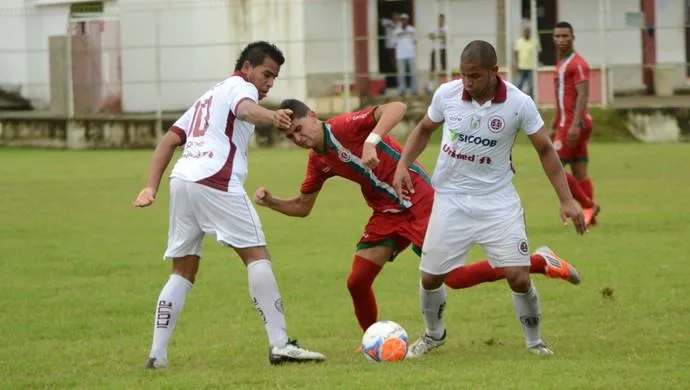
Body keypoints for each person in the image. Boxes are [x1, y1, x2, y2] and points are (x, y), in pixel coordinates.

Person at [252, 97, 582, 341]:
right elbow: (303, 206)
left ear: (312, 115)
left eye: (298, 128)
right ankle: (374, 341)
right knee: (357, 281)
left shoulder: (343, 126)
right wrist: (272, 202)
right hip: (386, 213)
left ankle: (538, 261)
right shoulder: (318, 161)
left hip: (421, 201)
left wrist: (372, 139)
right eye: (291, 136)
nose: (298, 137)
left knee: (452, 279)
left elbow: (395, 107)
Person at [132, 41, 325, 368]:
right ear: (247, 67)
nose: (269, 83)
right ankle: (280, 345)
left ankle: (157, 355)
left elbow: (169, 140)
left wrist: (151, 186)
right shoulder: (238, 86)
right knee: (256, 255)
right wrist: (273, 115)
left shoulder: (209, 95)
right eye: (266, 74)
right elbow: (246, 110)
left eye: (274, 78)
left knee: (183, 269)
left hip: (182, 181)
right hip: (215, 180)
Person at [393, 40, 586, 357]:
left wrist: (566, 199)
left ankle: (535, 342)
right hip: (451, 199)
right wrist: (403, 165)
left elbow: (546, 151)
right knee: (430, 277)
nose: (468, 82)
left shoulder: (519, 103)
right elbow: (424, 129)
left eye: (475, 76)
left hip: (497, 201)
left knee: (518, 277)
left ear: (495, 72)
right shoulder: (447, 94)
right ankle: (433, 335)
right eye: (464, 75)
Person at [552, 21, 599, 226]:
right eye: (558, 36)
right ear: (553, 38)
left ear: (573, 37)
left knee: (554, 166)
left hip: (573, 124)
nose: (562, 40)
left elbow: (583, 95)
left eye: (565, 36)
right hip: (567, 122)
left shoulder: (578, 64)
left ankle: (588, 205)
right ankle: (591, 217)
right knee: (580, 172)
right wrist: (554, 123)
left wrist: (574, 125)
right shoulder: (561, 63)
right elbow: (562, 97)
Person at [394, 13, 418, 95]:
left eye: (405, 19)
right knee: (401, 74)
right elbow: (394, 43)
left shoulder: (412, 30)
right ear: (400, 21)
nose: (404, 21)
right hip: (400, 55)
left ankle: (414, 90)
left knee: (413, 73)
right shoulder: (396, 31)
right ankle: (401, 90)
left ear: (407, 20)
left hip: (411, 54)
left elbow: (415, 41)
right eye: (402, 19)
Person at [514, 26, 540, 97]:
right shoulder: (519, 41)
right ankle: (517, 99)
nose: (526, 33)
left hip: (531, 67)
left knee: (531, 86)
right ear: (523, 33)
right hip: (521, 67)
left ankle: (532, 102)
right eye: (525, 32)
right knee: (519, 85)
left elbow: (538, 52)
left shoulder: (534, 42)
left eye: (528, 32)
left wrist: (537, 63)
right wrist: (517, 64)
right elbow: (516, 53)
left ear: (530, 33)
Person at [427, 14, 447, 93]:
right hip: (435, 49)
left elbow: (446, 38)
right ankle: (430, 86)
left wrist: (440, 35)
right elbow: (430, 35)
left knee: (444, 68)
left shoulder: (446, 27)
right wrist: (439, 35)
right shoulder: (433, 26)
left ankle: (444, 85)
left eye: (442, 19)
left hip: (443, 49)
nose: (441, 21)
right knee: (432, 68)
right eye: (440, 19)